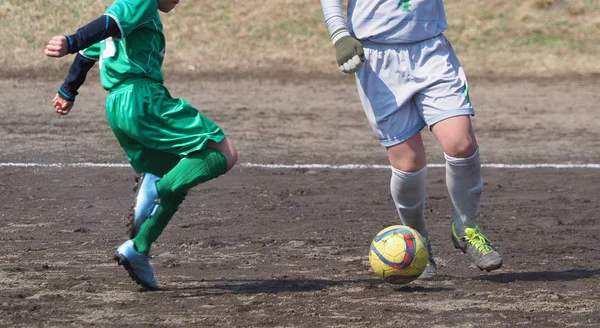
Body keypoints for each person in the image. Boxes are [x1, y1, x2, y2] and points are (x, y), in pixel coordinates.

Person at [45, 0, 238, 290]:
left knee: (180, 175)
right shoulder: (141, 2)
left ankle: (139, 247)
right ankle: (154, 189)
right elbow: (104, 26)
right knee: (225, 153)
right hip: (143, 100)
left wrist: (67, 90)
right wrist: (71, 41)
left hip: (118, 106)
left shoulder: (134, 15)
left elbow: (89, 54)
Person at [319, 0, 502, 279]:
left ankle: (467, 228)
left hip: (430, 50)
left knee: (461, 143)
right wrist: (339, 34)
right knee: (408, 164)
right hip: (376, 58)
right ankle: (417, 240)